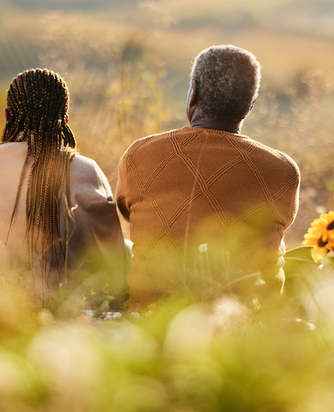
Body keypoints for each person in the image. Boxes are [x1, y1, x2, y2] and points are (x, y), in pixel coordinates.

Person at [116, 45, 300, 309]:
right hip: (249, 324)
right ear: (250, 105)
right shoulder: (282, 169)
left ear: (193, 93)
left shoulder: (139, 154)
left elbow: (128, 215)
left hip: (153, 317)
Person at [0, 68, 126, 305]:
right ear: (65, 121)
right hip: (64, 320)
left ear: (7, 116)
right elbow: (112, 261)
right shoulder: (84, 171)